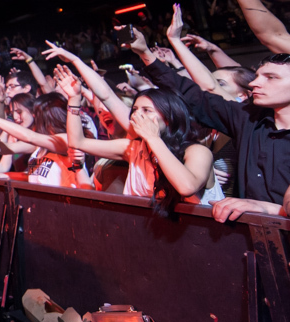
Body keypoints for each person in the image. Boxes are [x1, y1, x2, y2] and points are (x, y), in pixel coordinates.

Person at [127, 24, 290, 221]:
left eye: (271, 78)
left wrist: (271, 209)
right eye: (257, 77)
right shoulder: (247, 117)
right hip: (249, 232)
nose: (254, 83)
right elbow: (193, 95)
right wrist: (145, 52)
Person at [54, 65, 219, 213]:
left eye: (146, 110)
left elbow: (186, 187)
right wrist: (74, 99)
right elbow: (78, 142)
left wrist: (153, 138)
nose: (137, 115)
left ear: (169, 118)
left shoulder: (198, 152)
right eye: (135, 110)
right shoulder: (134, 149)